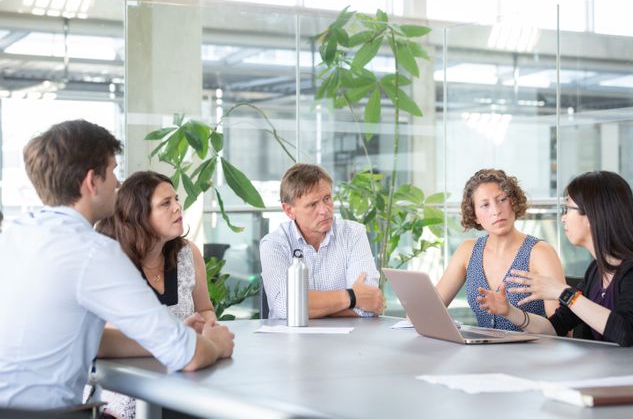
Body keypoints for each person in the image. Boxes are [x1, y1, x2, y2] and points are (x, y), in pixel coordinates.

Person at [0, 120, 234, 411]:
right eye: (112, 171)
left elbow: (92, 342)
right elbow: (189, 357)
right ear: (91, 182)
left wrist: (176, 335)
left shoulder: (15, 236)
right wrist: (215, 344)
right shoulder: (92, 252)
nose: (119, 183)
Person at [477, 171, 633, 347]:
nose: (563, 218)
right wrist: (509, 311)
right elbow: (554, 328)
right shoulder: (596, 272)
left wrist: (564, 293)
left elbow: (625, 331)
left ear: (592, 215)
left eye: (568, 209)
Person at [94, 171, 217, 418]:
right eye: (165, 203)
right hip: (123, 397)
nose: (178, 207)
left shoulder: (188, 253)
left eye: (176, 199)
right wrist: (179, 333)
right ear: (140, 216)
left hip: (185, 385)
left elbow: (205, 309)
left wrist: (205, 325)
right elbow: (111, 334)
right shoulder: (113, 262)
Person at [435, 168, 565, 331]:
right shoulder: (467, 251)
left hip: (534, 352)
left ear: (514, 202)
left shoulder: (540, 252)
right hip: (483, 353)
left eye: (502, 200)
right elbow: (430, 309)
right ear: (474, 215)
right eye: (485, 205)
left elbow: (563, 331)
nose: (496, 211)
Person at [260, 163, 384, 319]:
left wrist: (307, 308)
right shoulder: (274, 244)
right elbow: (284, 307)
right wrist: (352, 298)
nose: (324, 210)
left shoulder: (353, 234)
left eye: (327, 199)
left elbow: (369, 305)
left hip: (348, 341)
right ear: (289, 210)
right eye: (312, 204)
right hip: (291, 341)